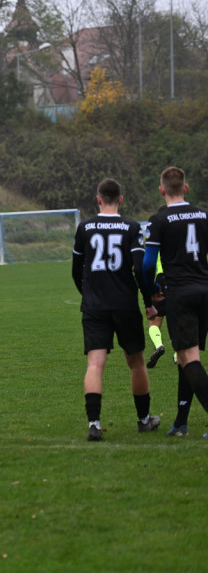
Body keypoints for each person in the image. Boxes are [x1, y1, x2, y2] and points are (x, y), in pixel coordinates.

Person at [72, 178, 159, 441]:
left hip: (95, 306)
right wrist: (148, 301)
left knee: (95, 365)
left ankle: (94, 425)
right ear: (120, 199)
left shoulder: (84, 227)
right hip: (124, 304)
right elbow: (140, 267)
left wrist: (87, 295)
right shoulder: (131, 227)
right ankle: (144, 420)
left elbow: (76, 271)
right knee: (136, 363)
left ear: (98, 199)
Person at [143, 166, 208, 435]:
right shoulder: (204, 215)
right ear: (186, 188)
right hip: (204, 291)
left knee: (189, 357)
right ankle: (181, 423)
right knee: (184, 358)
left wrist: (151, 290)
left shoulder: (160, 220)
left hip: (179, 293)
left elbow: (148, 263)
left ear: (162, 190)